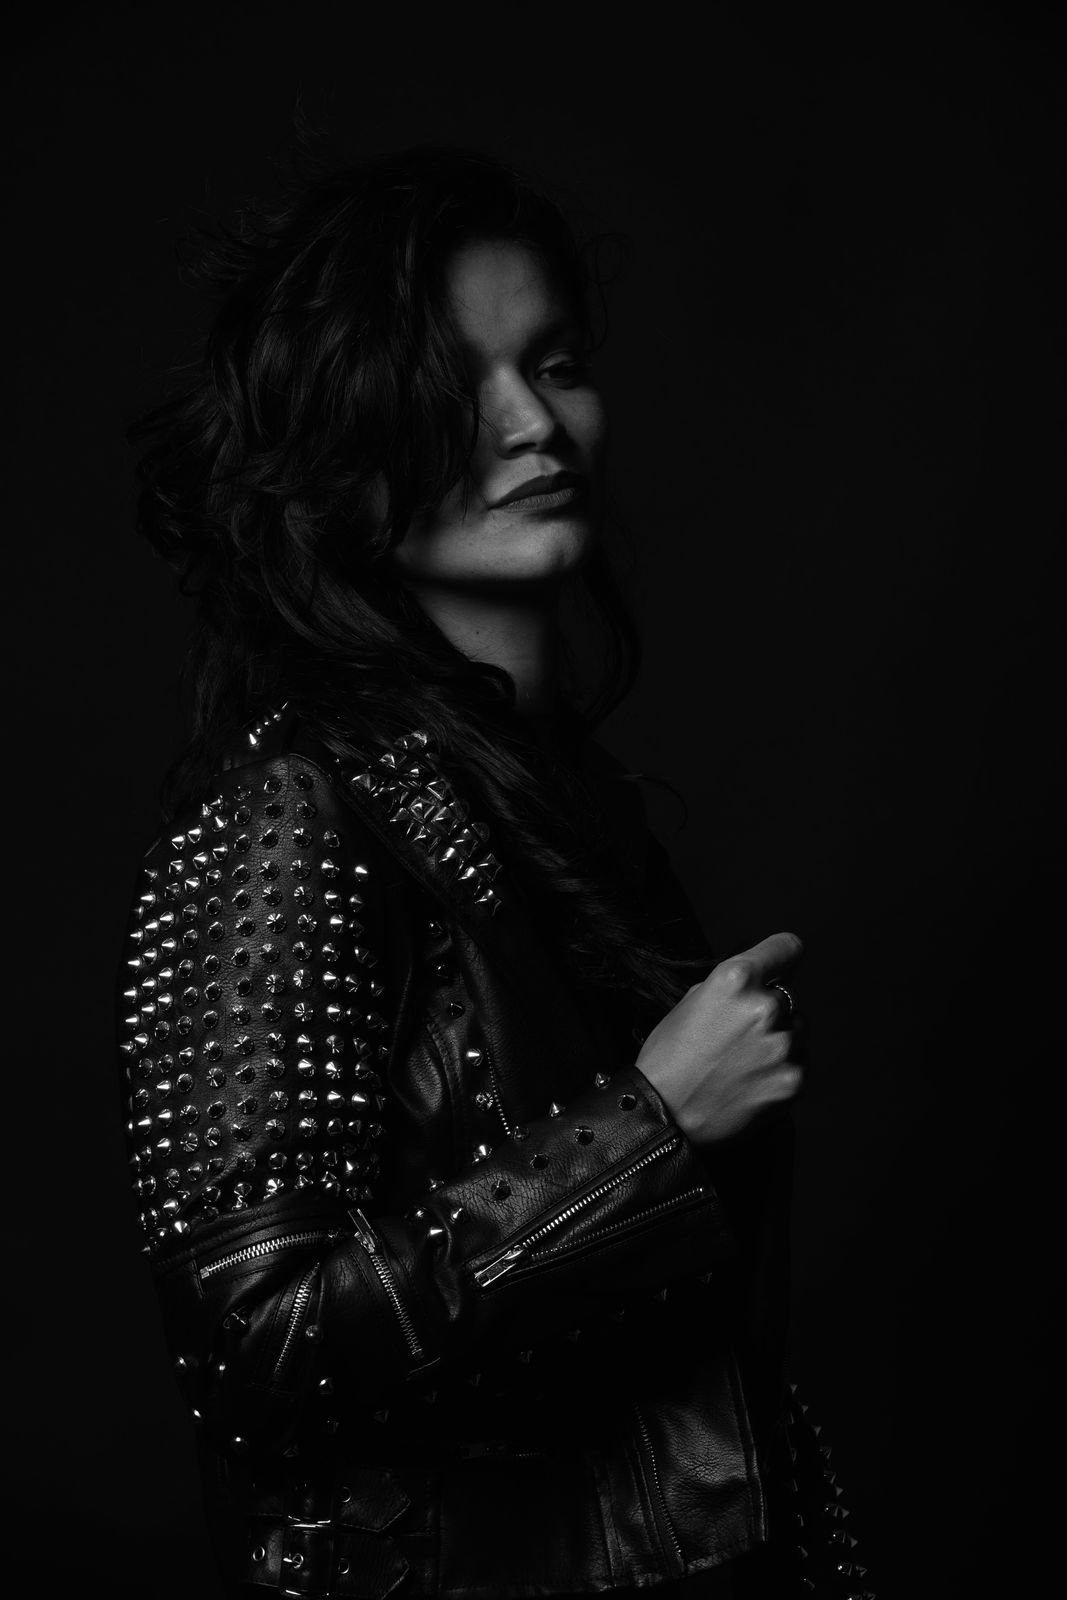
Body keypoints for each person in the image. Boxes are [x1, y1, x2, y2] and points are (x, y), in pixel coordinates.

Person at [118, 144, 866, 1599]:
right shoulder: (293, 807)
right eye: (454, 383)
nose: (531, 423)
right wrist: (651, 1126)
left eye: (558, 363)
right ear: (341, 446)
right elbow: (252, 1350)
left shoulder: (565, 806)